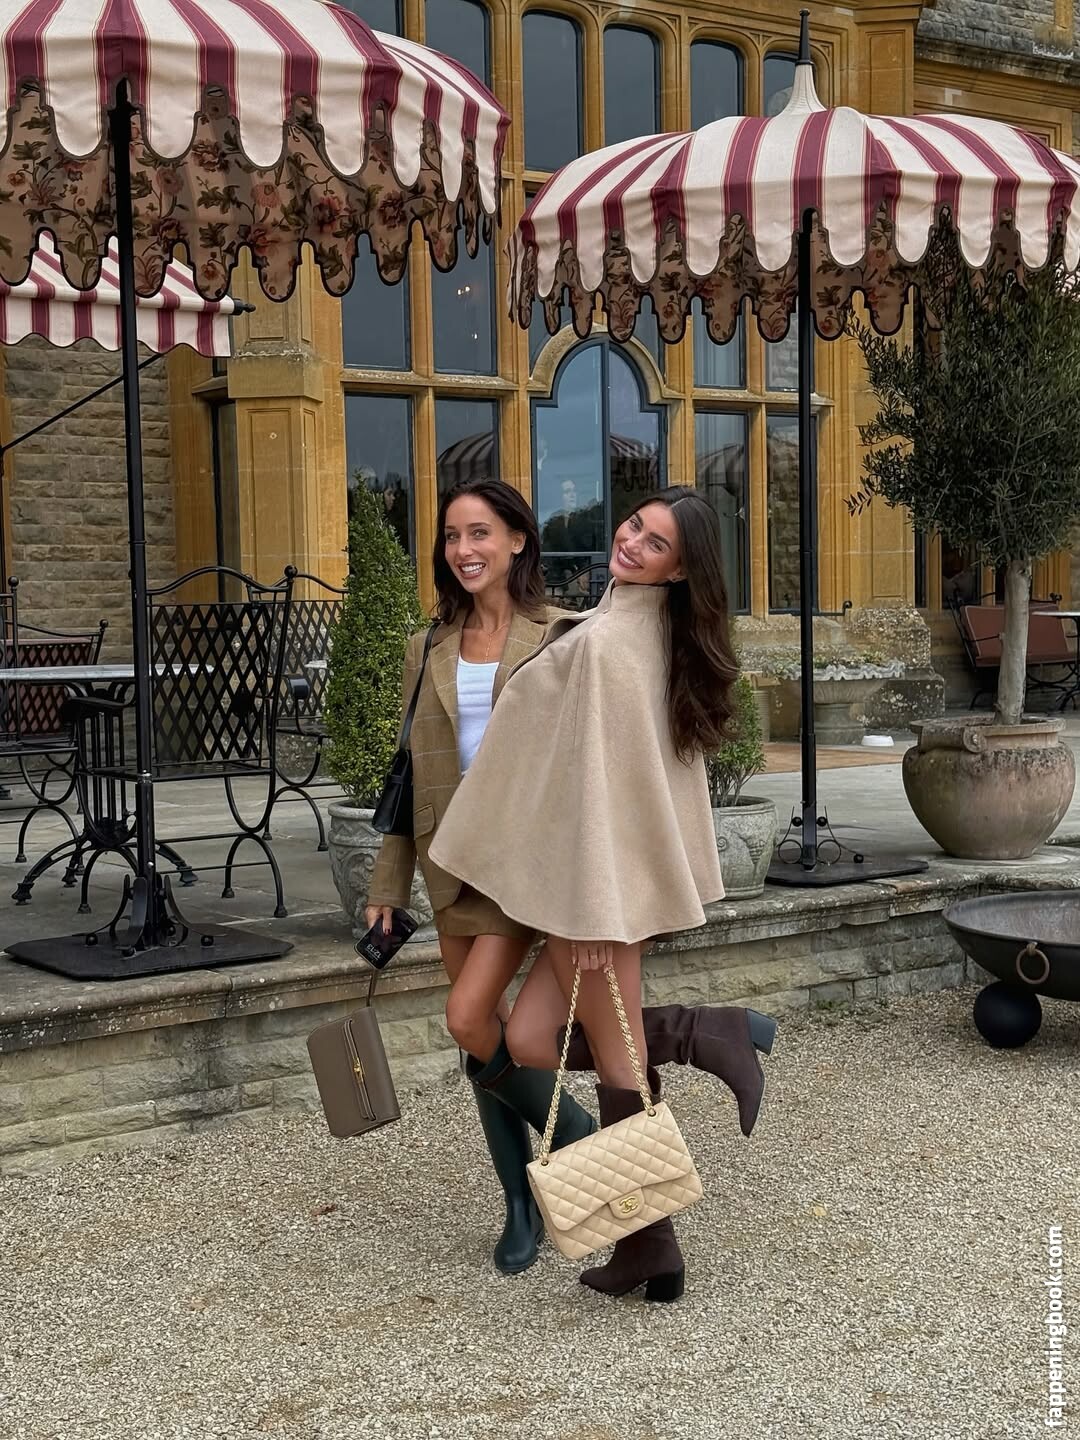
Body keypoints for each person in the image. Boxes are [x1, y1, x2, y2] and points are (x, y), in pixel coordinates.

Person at [429, 487, 778, 1302]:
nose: (631, 542)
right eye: (634, 525)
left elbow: (598, 791)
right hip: (601, 885)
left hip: (596, 895)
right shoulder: (641, 631)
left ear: (679, 568)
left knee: (612, 1056)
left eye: (655, 543)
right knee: (529, 1038)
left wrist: (590, 908)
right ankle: (703, 1036)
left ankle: (649, 1245)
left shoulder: (610, 643)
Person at [364, 477, 595, 1278]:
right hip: (449, 858)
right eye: (452, 536)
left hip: (526, 860)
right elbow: (404, 774)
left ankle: (583, 1142)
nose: (463, 549)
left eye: (480, 533)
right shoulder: (427, 646)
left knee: (467, 1018)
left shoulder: (562, 636)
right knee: (483, 1032)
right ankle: (520, 1204)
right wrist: (387, 885)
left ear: (518, 540)